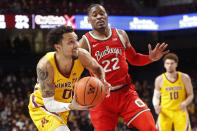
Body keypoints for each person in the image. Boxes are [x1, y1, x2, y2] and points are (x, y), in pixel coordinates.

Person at [79, 4, 169, 131]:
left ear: (107, 16)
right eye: (94, 15)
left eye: (102, 13)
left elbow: (134, 58)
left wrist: (150, 58)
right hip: (101, 98)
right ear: (88, 20)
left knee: (150, 127)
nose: (99, 17)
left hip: (126, 94)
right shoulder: (85, 42)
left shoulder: (120, 34)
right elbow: (76, 68)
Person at [28, 25, 110, 131]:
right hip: (42, 107)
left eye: (76, 40)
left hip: (63, 108)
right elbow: (49, 104)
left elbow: (97, 69)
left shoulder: (82, 56)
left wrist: (102, 81)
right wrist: (72, 106)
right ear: (58, 47)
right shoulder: (45, 65)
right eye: (70, 42)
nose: (76, 45)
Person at [152, 53, 194, 131]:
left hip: (180, 110)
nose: (169, 65)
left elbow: (190, 94)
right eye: (167, 63)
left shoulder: (184, 77)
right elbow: (156, 96)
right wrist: (156, 106)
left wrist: (185, 103)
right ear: (164, 65)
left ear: (176, 64)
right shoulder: (159, 79)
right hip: (165, 111)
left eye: (172, 63)